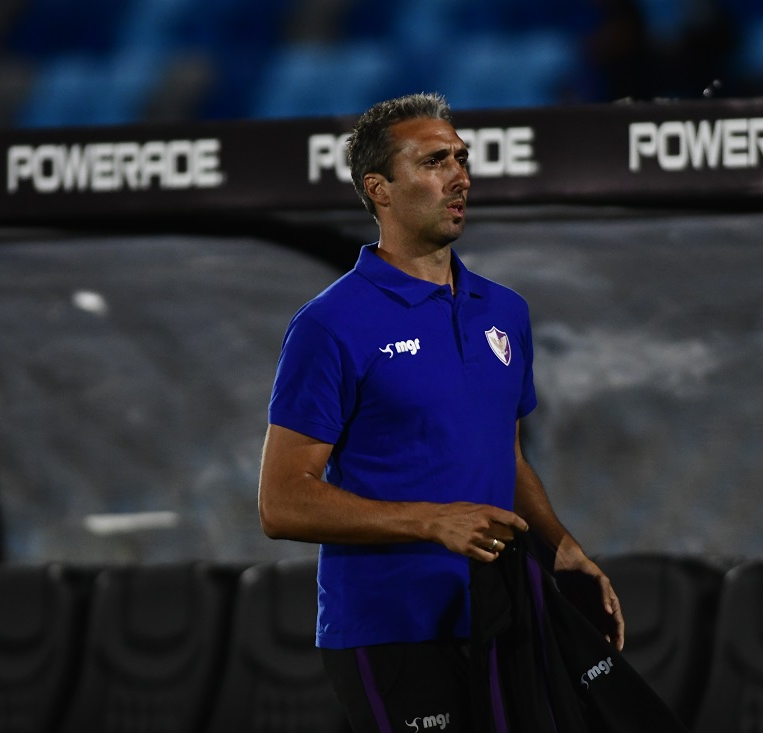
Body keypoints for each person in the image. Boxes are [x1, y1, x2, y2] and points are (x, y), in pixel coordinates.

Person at [258, 92, 624, 731]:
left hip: (503, 615)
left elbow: (504, 458)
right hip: (390, 629)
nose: (460, 176)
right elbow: (282, 502)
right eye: (434, 161)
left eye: (461, 158)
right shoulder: (330, 324)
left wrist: (561, 546)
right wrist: (432, 523)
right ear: (381, 189)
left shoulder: (504, 310)